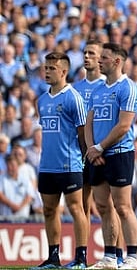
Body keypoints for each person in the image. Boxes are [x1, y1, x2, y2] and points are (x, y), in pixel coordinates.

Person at [84, 43, 137, 269]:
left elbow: (124, 125)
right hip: (97, 154)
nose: (100, 60)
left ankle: (133, 257)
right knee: (103, 206)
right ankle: (109, 256)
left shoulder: (128, 87)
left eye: (104, 58)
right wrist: (91, 148)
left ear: (117, 61)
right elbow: (89, 122)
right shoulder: (98, 89)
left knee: (123, 206)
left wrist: (100, 147)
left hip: (119, 153)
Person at [33, 52, 90, 269]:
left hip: (69, 164)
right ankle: (53, 257)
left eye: (51, 68)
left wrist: (84, 159)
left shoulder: (73, 97)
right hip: (47, 164)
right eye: (46, 68)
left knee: (76, 209)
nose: (47, 72)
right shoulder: (42, 100)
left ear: (64, 71)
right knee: (49, 210)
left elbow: (82, 132)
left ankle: (81, 257)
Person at [74, 40, 123, 264]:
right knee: (82, 205)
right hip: (81, 153)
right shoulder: (76, 88)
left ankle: (118, 254)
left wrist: (99, 147)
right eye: (84, 53)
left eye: (91, 53)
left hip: (105, 151)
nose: (86, 57)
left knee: (112, 205)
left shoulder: (109, 86)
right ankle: (82, 255)